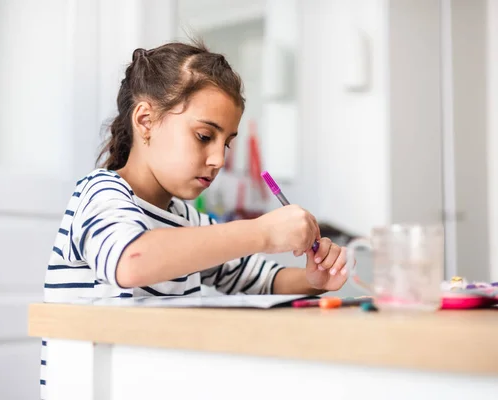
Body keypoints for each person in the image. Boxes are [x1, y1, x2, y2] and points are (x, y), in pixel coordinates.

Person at [40, 41, 349, 394]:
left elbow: (258, 279)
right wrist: (262, 232)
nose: (218, 158)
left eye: (226, 143)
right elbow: (132, 261)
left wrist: (315, 279)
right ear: (145, 120)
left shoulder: (186, 219)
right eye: (204, 136)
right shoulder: (100, 194)